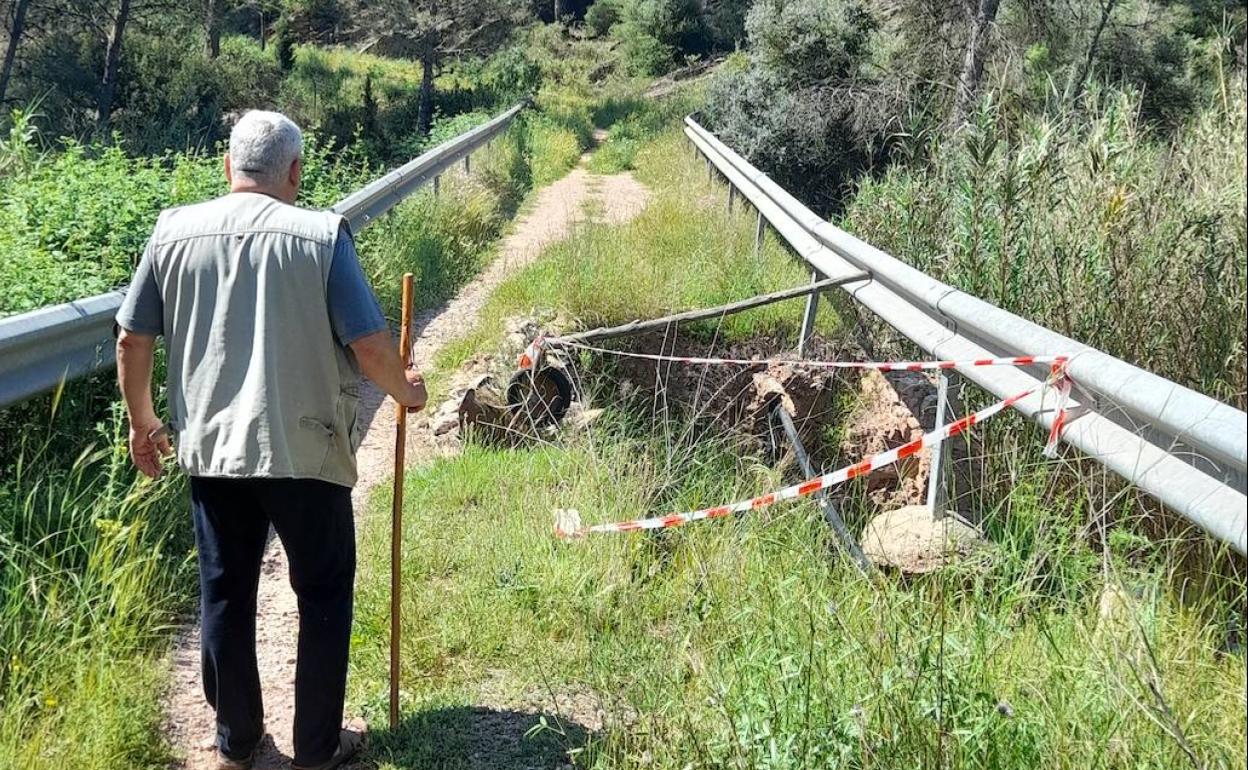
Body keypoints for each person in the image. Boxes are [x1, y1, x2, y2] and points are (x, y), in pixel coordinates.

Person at [114, 110, 427, 770]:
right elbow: (369, 345)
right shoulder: (321, 235)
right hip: (304, 451)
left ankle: (238, 739)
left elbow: (132, 338)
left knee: (225, 590)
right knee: (322, 591)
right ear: (295, 171)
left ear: (228, 168)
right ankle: (315, 749)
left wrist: (143, 423)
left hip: (212, 450)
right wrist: (408, 392)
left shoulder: (171, 232)